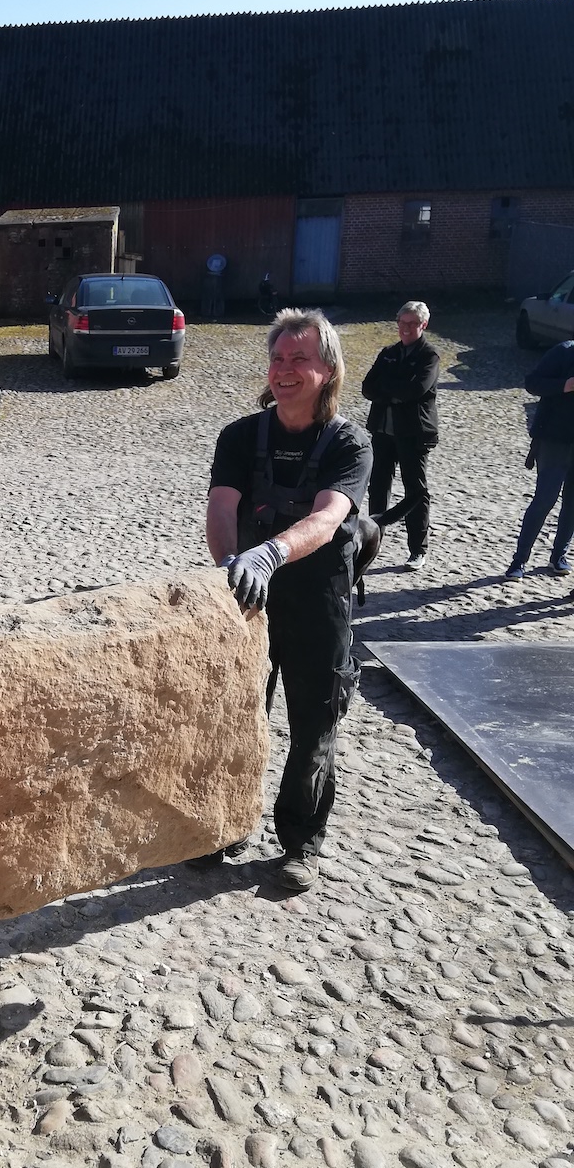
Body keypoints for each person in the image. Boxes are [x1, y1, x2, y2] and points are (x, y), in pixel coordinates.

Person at [201, 309, 373, 893]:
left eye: (300, 359)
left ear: (328, 369)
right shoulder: (241, 436)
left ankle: (300, 841)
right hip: (247, 594)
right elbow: (223, 508)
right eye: (278, 358)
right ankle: (226, 825)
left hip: (318, 596)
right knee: (238, 715)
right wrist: (231, 564)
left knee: (313, 721)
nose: (285, 370)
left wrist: (271, 554)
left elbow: (328, 518)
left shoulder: (350, 443)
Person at [361, 301, 440, 572]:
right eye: (401, 323)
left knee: (416, 491)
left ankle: (418, 549)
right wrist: (395, 389)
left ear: (423, 325)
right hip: (383, 432)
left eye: (411, 324)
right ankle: (373, 539)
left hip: (413, 435)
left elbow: (416, 390)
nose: (405, 329)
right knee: (378, 487)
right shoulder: (388, 353)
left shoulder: (429, 356)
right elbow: (368, 387)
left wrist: (389, 388)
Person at [505, 339, 574, 579]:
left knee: (572, 505)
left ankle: (558, 557)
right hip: (554, 441)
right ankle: (519, 560)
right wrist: (565, 385)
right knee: (544, 500)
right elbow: (532, 383)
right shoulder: (564, 352)